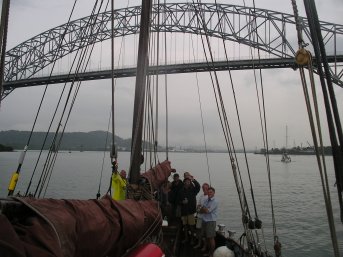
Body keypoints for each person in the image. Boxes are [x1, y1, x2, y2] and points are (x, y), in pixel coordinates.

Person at [178, 173, 200, 244]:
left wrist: (193, 179)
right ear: (184, 182)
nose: (187, 182)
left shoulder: (193, 190)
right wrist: (182, 202)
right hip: (184, 211)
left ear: (190, 182)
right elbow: (178, 201)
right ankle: (186, 239)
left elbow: (198, 187)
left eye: (188, 181)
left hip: (190, 212)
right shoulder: (181, 191)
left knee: (191, 226)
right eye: (186, 181)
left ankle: (192, 240)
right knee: (185, 226)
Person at [199, 187, 218, 257]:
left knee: (211, 238)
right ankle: (209, 252)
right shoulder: (206, 199)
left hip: (211, 221)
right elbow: (200, 210)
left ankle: (212, 254)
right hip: (204, 220)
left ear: (214, 193)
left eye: (211, 192)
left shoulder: (215, 201)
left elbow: (207, 211)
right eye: (208, 192)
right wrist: (203, 209)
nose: (209, 193)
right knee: (207, 238)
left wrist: (203, 208)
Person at [193, 183, 209, 249]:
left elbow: (206, 209)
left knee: (204, 233)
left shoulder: (209, 197)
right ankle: (199, 244)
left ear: (208, 188)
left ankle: (205, 246)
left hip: (205, 218)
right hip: (199, 217)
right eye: (203, 188)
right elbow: (198, 205)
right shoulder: (201, 196)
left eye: (206, 188)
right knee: (198, 231)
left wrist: (200, 209)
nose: (204, 189)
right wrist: (199, 209)